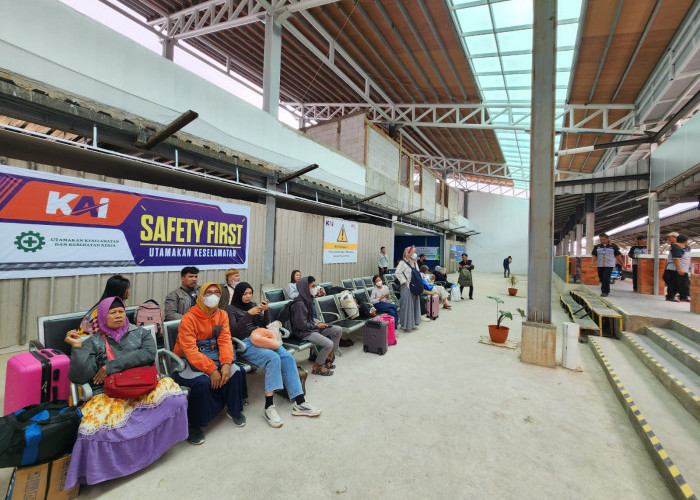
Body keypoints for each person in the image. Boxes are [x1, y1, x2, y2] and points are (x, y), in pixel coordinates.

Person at [64, 297, 188, 487]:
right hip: (109, 391)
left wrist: (111, 366)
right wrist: (78, 348)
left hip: (142, 383)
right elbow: (80, 376)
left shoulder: (139, 333)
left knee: (176, 400)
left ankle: (155, 448)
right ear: (103, 316)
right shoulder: (94, 342)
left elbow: (147, 354)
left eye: (121, 311)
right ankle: (117, 466)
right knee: (90, 431)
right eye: (112, 312)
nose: (118, 315)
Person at [227, 282, 321, 428]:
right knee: (273, 359)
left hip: (262, 337)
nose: (248, 296)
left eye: (250, 293)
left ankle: (300, 402)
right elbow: (233, 332)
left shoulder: (252, 304)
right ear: (239, 294)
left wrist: (265, 311)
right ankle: (269, 407)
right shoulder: (231, 309)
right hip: (246, 343)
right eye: (245, 294)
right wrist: (248, 314)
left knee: (288, 357)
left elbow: (265, 324)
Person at [172, 283, 248, 445]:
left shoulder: (221, 315)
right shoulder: (189, 318)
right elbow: (190, 350)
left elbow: (225, 340)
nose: (213, 296)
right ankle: (193, 424)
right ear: (200, 295)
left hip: (215, 354)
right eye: (208, 292)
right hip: (187, 360)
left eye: (216, 293)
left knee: (235, 371)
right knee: (203, 382)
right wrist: (212, 369)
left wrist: (226, 363)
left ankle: (234, 410)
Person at [290, 276, 342, 376]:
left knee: (338, 330)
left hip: (312, 328)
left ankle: (330, 356)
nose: (315, 288)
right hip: (304, 332)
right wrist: (317, 326)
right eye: (313, 286)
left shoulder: (308, 299)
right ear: (305, 287)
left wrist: (317, 322)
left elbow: (309, 318)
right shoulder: (299, 303)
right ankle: (317, 366)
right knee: (329, 344)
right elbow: (301, 325)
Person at [395, 246, 421, 331]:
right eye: (413, 252)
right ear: (408, 253)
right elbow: (397, 273)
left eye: (415, 252)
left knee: (414, 304)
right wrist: (404, 281)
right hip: (407, 287)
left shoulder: (415, 262)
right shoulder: (403, 262)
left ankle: (412, 324)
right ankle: (405, 325)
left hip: (415, 286)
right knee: (407, 306)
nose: (414, 254)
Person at [591, 233, 624, 298]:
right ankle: (605, 290)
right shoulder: (597, 247)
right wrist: (592, 261)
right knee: (601, 278)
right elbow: (594, 255)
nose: (602, 241)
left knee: (605, 278)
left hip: (609, 265)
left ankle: (605, 292)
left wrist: (623, 264)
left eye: (603, 239)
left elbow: (618, 256)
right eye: (600, 239)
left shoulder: (613, 246)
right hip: (600, 265)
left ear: (607, 239)